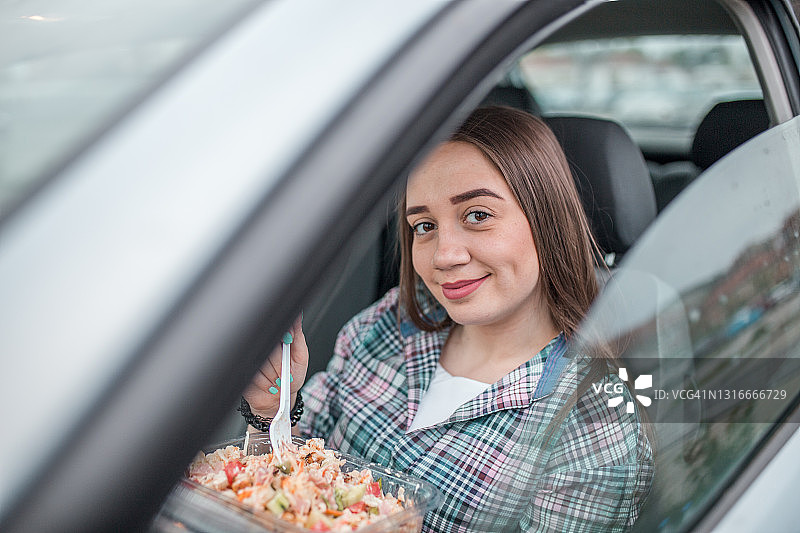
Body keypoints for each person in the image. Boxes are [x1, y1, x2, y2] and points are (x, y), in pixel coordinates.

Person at [243, 106, 654, 532]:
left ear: (546, 219)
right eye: (424, 225)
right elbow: (278, 485)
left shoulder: (592, 425)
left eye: (477, 215)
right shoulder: (385, 325)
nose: (444, 255)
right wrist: (272, 412)